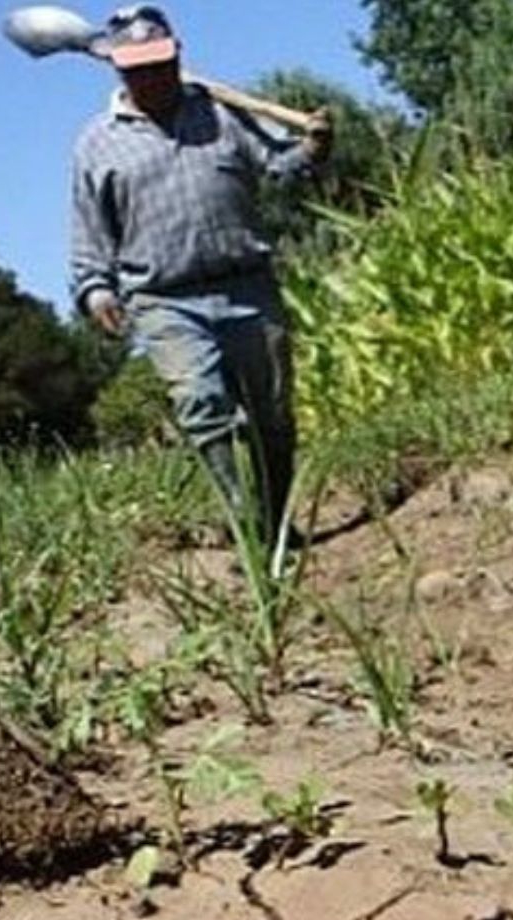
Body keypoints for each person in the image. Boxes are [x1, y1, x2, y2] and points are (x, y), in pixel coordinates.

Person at [68, 6, 326, 574]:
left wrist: (311, 147)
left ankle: (276, 520)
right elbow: (89, 233)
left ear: (177, 56)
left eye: (159, 64)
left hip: (248, 286)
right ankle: (244, 524)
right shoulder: (97, 145)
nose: (150, 77)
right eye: (137, 68)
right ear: (117, 71)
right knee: (200, 403)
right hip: (164, 298)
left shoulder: (225, 117)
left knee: (273, 415)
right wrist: (95, 291)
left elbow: (280, 167)